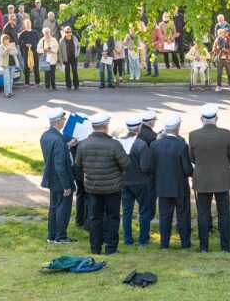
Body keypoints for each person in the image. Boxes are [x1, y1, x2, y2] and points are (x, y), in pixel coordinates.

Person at [76, 113, 130, 254]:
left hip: (92, 187)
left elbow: (78, 163)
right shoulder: (114, 144)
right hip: (112, 187)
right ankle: (111, 248)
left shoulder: (83, 144)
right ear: (106, 126)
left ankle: (95, 248)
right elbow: (125, 164)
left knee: (95, 218)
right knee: (113, 217)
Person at [189, 104, 230, 253]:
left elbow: (192, 157)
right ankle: (226, 247)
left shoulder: (193, 135)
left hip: (202, 178)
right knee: (224, 213)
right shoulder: (226, 134)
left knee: (203, 213)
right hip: (222, 177)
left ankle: (204, 247)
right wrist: (222, 165)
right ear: (216, 118)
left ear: (201, 119)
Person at [150, 113, 194, 249]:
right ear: (177, 128)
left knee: (164, 217)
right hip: (180, 187)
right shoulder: (181, 145)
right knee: (183, 216)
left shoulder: (154, 145)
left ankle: (164, 244)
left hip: (163, 187)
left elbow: (152, 167)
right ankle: (185, 244)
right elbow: (187, 170)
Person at [40, 108, 76, 244]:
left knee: (54, 207)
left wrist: (67, 145)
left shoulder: (46, 135)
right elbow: (60, 166)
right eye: (63, 120)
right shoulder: (59, 141)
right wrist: (66, 185)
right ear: (58, 121)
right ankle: (60, 237)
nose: (64, 122)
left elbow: (53, 153)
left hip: (51, 178)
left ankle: (52, 235)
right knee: (63, 209)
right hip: (61, 180)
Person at [120, 116, 152, 247]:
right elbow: (145, 167)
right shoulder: (141, 144)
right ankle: (143, 240)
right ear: (139, 128)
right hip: (140, 182)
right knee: (144, 211)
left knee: (127, 212)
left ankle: (128, 239)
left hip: (124, 182)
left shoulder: (120, 142)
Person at [138, 110, 158, 220]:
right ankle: (150, 215)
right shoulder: (152, 135)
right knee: (151, 193)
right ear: (151, 122)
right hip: (149, 169)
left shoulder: (138, 132)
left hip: (137, 167)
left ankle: (143, 212)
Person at [18, 19, 41, 87]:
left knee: (36, 66)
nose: (28, 25)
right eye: (27, 24)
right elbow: (19, 43)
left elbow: (38, 41)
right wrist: (25, 44)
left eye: (29, 23)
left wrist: (34, 46)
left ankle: (37, 82)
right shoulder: (23, 33)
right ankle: (27, 83)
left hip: (34, 51)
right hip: (26, 51)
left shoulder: (35, 32)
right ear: (25, 25)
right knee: (26, 67)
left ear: (31, 24)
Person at [57, 26, 80, 90]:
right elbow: (60, 52)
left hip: (74, 57)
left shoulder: (74, 38)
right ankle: (68, 86)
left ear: (71, 32)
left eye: (69, 31)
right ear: (64, 32)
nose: (68, 33)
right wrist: (61, 62)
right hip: (66, 58)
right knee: (67, 72)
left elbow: (78, 47)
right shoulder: (61, 40)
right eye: (66, 32)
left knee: (75, 71)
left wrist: (77, 54)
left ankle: (76, 85)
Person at [37, 27, 59, 92]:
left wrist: (51, 50)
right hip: (46, 59)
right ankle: (47, 86)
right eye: (46, 33)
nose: (47, 34)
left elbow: (57, 48)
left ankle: (53, 86)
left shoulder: (54, 40)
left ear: (50, 33)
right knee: (47, 73)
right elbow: (38, 50)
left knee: (52, 73)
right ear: (43, 33)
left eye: (48, 32)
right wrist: (44, 50)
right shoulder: (42, 40)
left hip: (53, 59)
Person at [212, 27, 230, 92]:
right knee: (219, 73)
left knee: (229, 73)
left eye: (221, 33)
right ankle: (218, 86)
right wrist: (220, 52)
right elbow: (214, 49)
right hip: (220, 59)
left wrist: (226, 52)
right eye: (219, 33)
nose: (221, 34)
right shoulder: (217, 40)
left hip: (227, 58)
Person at [0, 34, 19, 98]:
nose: (7, 40)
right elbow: (2, 55)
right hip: (5, 65)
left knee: (11, 78)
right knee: (6, 79)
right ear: (3, 40)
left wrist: (9, 51)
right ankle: (6, 93)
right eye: (5, 39)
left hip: (13, 64)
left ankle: (10, 92)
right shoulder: (1, 46)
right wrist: (7, 49)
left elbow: (16, 52)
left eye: (8, 39)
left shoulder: (11, 45)